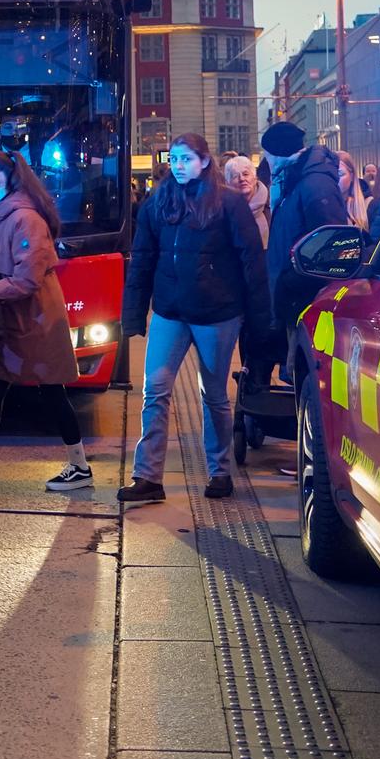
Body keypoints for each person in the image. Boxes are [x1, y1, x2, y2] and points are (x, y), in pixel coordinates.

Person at [118, 134, 270, 506]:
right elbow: (142, 260)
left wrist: (260, 318)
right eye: (174, 158)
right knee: (155, 389)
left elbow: (252, 262)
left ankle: (219, 471)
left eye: (186, 158)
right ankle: (148, 476)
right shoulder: (158, 202)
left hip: (217, 313)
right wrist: (134, 314)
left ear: (204, 161)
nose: (178, 165)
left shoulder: (229, 204)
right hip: (170, 311)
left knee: (214, 395)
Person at [0, 151, 91, 493]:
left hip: (36, 321)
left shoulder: (23, 219)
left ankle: (79, 467)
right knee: (3, 388)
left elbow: (26, 279)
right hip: (24, 318)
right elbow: (5, 270)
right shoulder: (8, 215)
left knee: (44, 391)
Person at [257, 121, 349, 387]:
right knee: (295, 373)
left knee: (304, 376)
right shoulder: (298, 179)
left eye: (267, 155)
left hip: (304, 294)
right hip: (293, 292)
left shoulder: (313, 183)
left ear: (275, 153)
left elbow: (329, 240)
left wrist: (295, 279)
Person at [222, 154, 269, 245]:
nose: (242, 179)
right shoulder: (222, 212)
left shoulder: (272, 206)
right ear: (228, 183)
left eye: (246, 174)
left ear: (255, 178)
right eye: (235, 176)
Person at [335, 149, 369, 231]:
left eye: (340, 174)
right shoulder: (323, 206)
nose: (335, 179)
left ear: (352, 176)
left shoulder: (369, 206)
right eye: (331, 174)